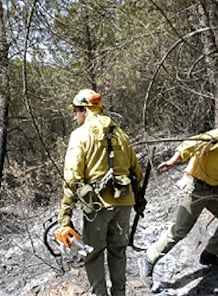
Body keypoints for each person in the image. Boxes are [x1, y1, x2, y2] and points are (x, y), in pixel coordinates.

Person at [139, 112, 218, 288]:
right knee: (180, 231)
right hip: (195, 187)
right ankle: (149, 259)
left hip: (212, 189)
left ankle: (210, 254)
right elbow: (192, 142)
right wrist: (172, 161)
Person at [56, 89, 143, 296]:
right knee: (118, 252)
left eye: (76, 111)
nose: (74, 116)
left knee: (93, 255)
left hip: (98, 207)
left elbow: (71, 177)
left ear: (85, 110)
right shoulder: (121, 134)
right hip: (124, 204)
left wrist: (65, 215)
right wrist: (136, 199)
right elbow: (136, 172)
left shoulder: (80, 135)